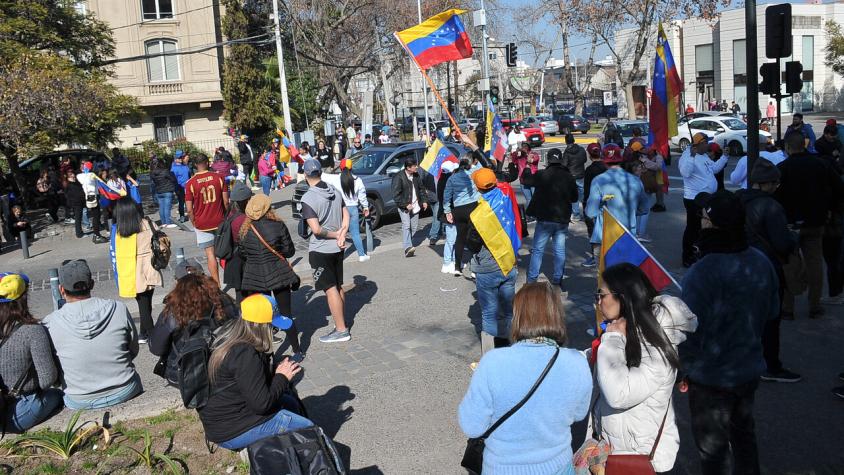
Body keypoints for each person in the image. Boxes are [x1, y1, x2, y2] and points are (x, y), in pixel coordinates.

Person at [680, 190, 777, 475]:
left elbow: (688, 329)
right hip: (748, 368)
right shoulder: (760, 261)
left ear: (718, 224)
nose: (703, 224)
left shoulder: (703, 271)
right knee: (745, 437)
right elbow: (772, 312)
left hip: (711, 377)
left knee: (713, 451)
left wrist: (683, 368)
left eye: (707, 219)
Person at [458, 282, 592, 474]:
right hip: (557, 466)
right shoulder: (576, 362)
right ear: (557, 316)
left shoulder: (492, 363)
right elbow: (579, 413)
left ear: (517, 317)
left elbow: (472, 425)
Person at [590, 264, 697, 474]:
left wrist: (612, 340)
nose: (598, 302)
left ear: (623, 297)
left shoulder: (656, 344)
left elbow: (618, 394)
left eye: (601, 295)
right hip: (614, 449)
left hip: (641, 458)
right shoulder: (624, 332)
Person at [198, 294, 313, 449]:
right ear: (262, 326)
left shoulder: (235, 338)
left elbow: (252, 384)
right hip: (231, 429)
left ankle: (292, 455)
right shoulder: (245, 353)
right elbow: (262, 404)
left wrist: (275, 372)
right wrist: (282, 377)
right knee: (309, 430)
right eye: (273, 327)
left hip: (228, 418)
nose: (275, 332)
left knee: (290, 402)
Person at [43, 259, 142, 409]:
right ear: (92, 284)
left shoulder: (49, 322)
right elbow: (133, 349)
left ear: (61, 289)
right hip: (125, 389)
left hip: (79, 399)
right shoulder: (118, 308)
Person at [736, 160, 802, 383]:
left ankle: (744, 357)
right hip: (766, 267)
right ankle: (770, 365)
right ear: (767, 184)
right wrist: (794, 237)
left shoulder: (738, 200)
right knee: (770, 319)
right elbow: (782, 243)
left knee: (744, 316)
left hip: (739, 265)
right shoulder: (771, 206)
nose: (777, 187)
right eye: (775, 183)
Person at [774, 131, 842, 319]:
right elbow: (839, 189)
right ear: (804, 145)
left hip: (790, 224)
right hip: (816, 221)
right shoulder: (821, 164)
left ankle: (788, 308)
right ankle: (815, 304)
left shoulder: (782, 168)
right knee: (814, 263)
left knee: (789, 264)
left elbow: (773, 195)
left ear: (787, 147)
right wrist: (830, 209)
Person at [238, 193, 303, 358]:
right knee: (286, 314)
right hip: (279, 275)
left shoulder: (245, 230)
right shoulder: (278, 225)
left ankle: (267, 355)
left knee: (263, 317)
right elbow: (290, 251)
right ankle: (297, 351)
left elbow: (243, 254)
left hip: (255, 277)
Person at [465, 168, 519, 356]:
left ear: (478, 188)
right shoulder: (506, 198)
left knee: (489, 314)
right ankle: (514, 348)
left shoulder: (479, 214)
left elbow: (472, 244)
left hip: (488, 268)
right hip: (509, 262)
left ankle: (492, 357)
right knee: (509, 311)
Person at [149, 270, 237, 386]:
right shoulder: (225, 302)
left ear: (178, 285)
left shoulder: (173, 312)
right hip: (224, 366)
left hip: (186, 373)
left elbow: (156, 348)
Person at [0, 273, 62, 432]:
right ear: (23, 298)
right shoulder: (33, 331)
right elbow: (47, 379)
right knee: (59, 396)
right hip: (19, 412)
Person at [300, 160, 352, 343]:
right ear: (320, 173)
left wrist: (334, 234)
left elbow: (316, 230)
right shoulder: (334, 190)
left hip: (321, 249)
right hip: (337, 248)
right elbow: (347, 214)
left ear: (305, 175)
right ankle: (342, 321)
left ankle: (341, 329)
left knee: (330, 289)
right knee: (338, 286)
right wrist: (342, 233)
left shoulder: (308, 198)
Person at [584, 144, 649, 267]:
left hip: (604, 237)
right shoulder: (635, 180)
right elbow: (644, 208)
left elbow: (590, 212)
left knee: (606, 281)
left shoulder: (598, 180)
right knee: (626, 278)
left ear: (604, 161)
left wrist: (602, 210)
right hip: (628, 235)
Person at [521, 148, 578, 287]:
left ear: (548, 160)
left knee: (538, 250)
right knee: (559, 250)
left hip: (545, 218)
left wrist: (527, 165)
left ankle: (532, 279)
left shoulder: (542, 174)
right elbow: (575, 197)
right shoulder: (568, 176)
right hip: (562, 219)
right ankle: (558, 279)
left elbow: (526, 180)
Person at [111, 197, 163, 343]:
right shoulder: (148, 223)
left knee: (143, 303)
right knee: (146, 303)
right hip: (151, 267)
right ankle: (144, 333)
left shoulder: (121, 231)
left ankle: (151, 336)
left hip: (133, 271)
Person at [679, 133, 728, 267]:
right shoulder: (687, 156)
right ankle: (687, 256)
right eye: (706, 143)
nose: (708, 146)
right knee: (692, 228)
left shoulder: (704, 156)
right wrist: (691, 157)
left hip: (706, 198)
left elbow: (714, 169)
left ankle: (699, 251)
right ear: (699, 143)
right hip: (694, 199)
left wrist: (724, 157)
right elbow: (685, 173)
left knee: (703, 228)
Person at [185, 154, 229, 285]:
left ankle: (217, 285)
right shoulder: (219, 178)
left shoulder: (190, 183)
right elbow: (226, 201)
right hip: (220, 220)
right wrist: (226, 216)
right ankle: (233, 277)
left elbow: (189, 209)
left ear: (195, 165)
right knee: (227, 250)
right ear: (207, 163)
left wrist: (194, 221)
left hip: (202, 223)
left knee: (210, 254)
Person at [322, 159, 370, 261]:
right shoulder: (358, 180)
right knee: (355, 233)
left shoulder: (335, 179)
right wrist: (365, 207)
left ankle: (338, 257)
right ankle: (361, 255)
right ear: (352, 167)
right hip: (353, 209)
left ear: (340, 168)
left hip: (341, 209)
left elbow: (322, 176)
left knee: (340, 233)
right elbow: (362, 196)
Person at [443, 156, 481, 274]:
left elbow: (446, 196)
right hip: (472, 207)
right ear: (469, 165)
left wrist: (447, 211)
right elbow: (482, 165)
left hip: (458, 209)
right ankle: (474, 268)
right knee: (475, 237)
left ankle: (457, 267)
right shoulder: (473, 173)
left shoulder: (452, 178)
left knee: (460, 238)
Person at [391, 156, 428, 257]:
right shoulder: (398, 177)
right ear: (408, 168)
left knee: (414, 227)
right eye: (414, 166)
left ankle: (409, 244)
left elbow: (421, 189)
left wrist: (424, 201)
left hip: (415, 205)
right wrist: (405, 204)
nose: (416, 167)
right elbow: (395, 195)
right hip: (404, 207)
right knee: (406, 225)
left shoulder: (416, 176)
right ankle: (407, 247)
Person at [581, 143, 607, 267]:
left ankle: (595, 256)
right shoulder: (606, 167)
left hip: (592, 202)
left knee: (593, 232)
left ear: (590, 155)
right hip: (606, 203)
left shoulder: (590, 170)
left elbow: (587, 190)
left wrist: (585, 203)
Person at [437, 161, 461, 274]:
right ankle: (447, 263)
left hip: (448, 213)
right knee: (451, 240)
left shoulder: (442, 180)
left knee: (452, 239)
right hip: (450, 213)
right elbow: (449, 199)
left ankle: (452, 261)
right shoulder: (448, 182)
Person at [77, 161, 109, 244]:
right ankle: (96, 235)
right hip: (92, 197)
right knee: (96, 216)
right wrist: (89, 173)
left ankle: (96, 234)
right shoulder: (84, 176)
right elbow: (88, 180)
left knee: (97, 216)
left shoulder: (87, 175)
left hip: (94, 196)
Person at [560, 134, 587, 220]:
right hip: (581, 174)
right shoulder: (581, 149)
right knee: (582, 195)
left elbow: (564, 164)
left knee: (573, 196)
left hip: (571, 176)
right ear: (574, 140)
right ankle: (586, 212)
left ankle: (576, 214)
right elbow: (585, 159)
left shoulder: (567, 152)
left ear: (566, 141)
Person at [512, 142, 540, 221]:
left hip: (533, 179)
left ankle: (536, 214)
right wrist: (516, 152)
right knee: (528, 199)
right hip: (523, 180)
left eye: (525, 147)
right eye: (523, 147)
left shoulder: (534, 154)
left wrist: (527, 154)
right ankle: (528, 215)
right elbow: (513, 159)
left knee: (535, 198)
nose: (524, 148)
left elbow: (532, 160)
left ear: (529, 148)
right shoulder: (519, 157)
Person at [149, 158, 178, 228]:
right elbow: (173, 179)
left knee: (161, 207)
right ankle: (168, 223)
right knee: (167, 207)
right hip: (167, 191)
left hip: (159, 191)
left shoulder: (152, 173)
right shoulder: (165, 171)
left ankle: (163, 222)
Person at [64, 170, 86, 239]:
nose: (72, 176)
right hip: (76, 203)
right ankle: (79, 234)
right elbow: (69, 195)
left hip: (80, 202)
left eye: (73, 174)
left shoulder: (76, 182)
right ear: (68, 177)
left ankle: (80, 232)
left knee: (79, 217)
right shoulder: (69, 185)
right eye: (70, 175)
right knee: (78, 218)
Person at [171, 150, 191, 223]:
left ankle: (189, 215)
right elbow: (173, 179)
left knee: (188, 201)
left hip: (186, 187)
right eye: (179, 158)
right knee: (182, 202)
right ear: (175, 159)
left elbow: (189, 176)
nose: (181, 159)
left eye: (181, 158)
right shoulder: (174, 168)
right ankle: (182, 216)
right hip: (180, 188)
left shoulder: (185, 167)